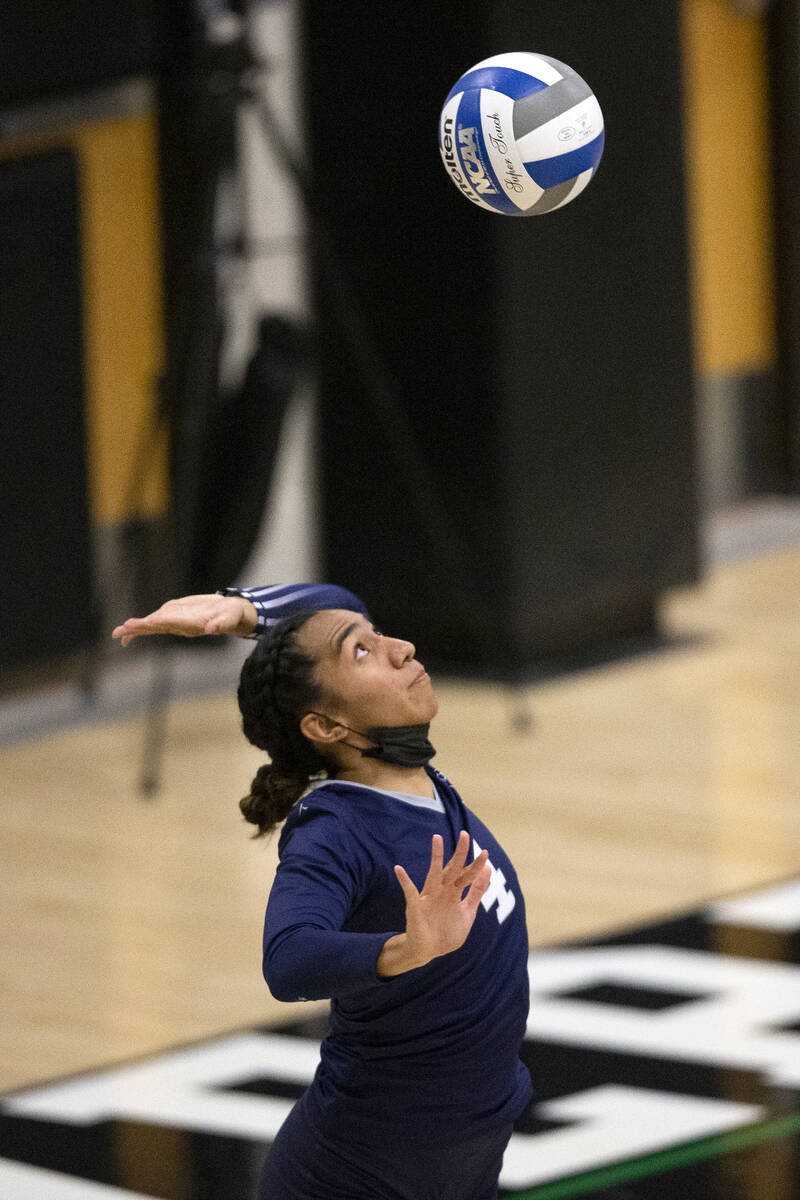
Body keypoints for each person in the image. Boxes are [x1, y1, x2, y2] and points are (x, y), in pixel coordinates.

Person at [113, 582, 532, 1200]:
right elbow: (288, 960)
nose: (401, 648)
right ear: (326, 725)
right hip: (353, 1176)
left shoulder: (413, 780)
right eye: (362, 652)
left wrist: (243, 611)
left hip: (459, 1162)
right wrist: (404, 950)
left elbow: (338, 600)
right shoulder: (335, 828)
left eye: (377, 638)